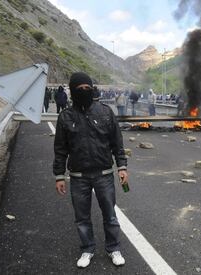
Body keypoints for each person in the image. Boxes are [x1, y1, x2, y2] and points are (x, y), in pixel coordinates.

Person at [53, 72, 128, 269]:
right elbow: (60, 149)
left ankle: (113, 248)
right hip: (78, 177)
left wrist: (122, 167)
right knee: (82, 218)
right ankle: (87, 249)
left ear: (92, 88)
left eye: (87, 87)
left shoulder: (105, 112)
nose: (84, 91)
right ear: (72, 90)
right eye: (79, 89)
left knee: (110, 215)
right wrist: (59, 176)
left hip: (104, 174)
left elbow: (117, 143)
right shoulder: (65, 116)